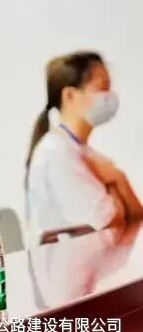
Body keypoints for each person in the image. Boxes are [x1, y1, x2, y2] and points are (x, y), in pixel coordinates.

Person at [25, 51, 143, 244]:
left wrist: (118, 179)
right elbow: (111, 222)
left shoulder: (84, 152)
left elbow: (136, 218)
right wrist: (116, 183)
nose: (110, 96)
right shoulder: (56, 153)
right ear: (70, 95)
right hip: (69, 260)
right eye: (102, 88)